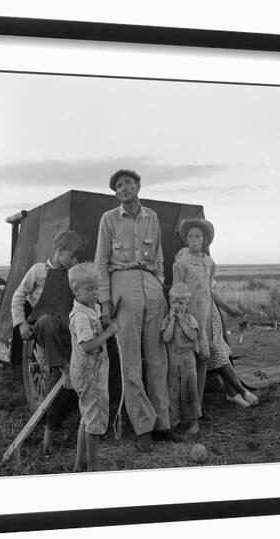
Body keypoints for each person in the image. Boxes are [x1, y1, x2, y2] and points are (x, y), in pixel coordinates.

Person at [95, 169, 181, 452]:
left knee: (157, 357)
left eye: (128, 183)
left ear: (138, 186)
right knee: (131, 358)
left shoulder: (151, 217)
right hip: (123, 283)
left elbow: (158, 253)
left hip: (151, 284)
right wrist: (106, 302)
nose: (124, 188)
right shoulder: (108, 220)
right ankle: (143, 427)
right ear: (116, 193)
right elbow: (101, 262)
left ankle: (163, 424)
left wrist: (159, 281)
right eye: (118, 186)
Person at [173, 219, 259, 411]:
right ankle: (231, 393)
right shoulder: (181, 261)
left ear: (205, 240)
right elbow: (178, 290)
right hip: (191, 315)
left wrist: (228, 309)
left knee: (213, 354)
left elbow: (209, 290)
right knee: (199, 358)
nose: (194, 240)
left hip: (210, 314)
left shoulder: (209, 262)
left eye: (198, 236)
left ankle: (230, 394)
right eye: (190, 236)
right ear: (186, 239)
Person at [11, 229, 85, 453]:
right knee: (47, 322)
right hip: (43, 329)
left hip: (65, 334)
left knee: (59, 385)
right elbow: (18, 297)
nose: (75, 261)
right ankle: (64, 367)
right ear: (60, 251)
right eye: (72, 256)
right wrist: (22, 324)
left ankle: (49, 436)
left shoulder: (73, 274)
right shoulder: (38, 271)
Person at [68, 263, 119, 472]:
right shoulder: (80, 316)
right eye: (89, 289)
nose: (95, 293)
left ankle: (80, 463)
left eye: (97, 288)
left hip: (91, 371)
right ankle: (93, 467)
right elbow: (88, 346)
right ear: (75, 290)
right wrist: (110, 332)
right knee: (94, 421)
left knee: (86, 418)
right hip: (89, 374)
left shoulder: (92, 308)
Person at [161, 283, 201, 436]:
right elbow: (166, 338)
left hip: (188, 361)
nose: (176, 305)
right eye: (173, 302)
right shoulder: (167, 320)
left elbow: (193, 336)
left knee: (190, 391)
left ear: (187, 304)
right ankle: (175, 422)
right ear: (170, 302)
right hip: (173, 361)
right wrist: (172, 321)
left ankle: (192, 422)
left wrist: (182, 322)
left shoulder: (190, 320)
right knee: (173, 392)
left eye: (180, 303)